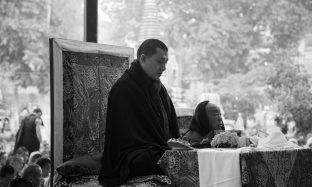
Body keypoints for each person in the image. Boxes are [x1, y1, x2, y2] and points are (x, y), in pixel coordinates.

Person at [98, 39, 180, 186]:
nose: (164, 67)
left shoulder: (158, 88)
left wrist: (172, 145)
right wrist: (164, 149)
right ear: (143, 58)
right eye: (160, 61)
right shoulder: (124, 88)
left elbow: (168, 126)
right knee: (158, 160)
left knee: (182, 154)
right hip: (131, 155)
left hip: (157, 148)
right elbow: (125, 138)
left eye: (165, 62)